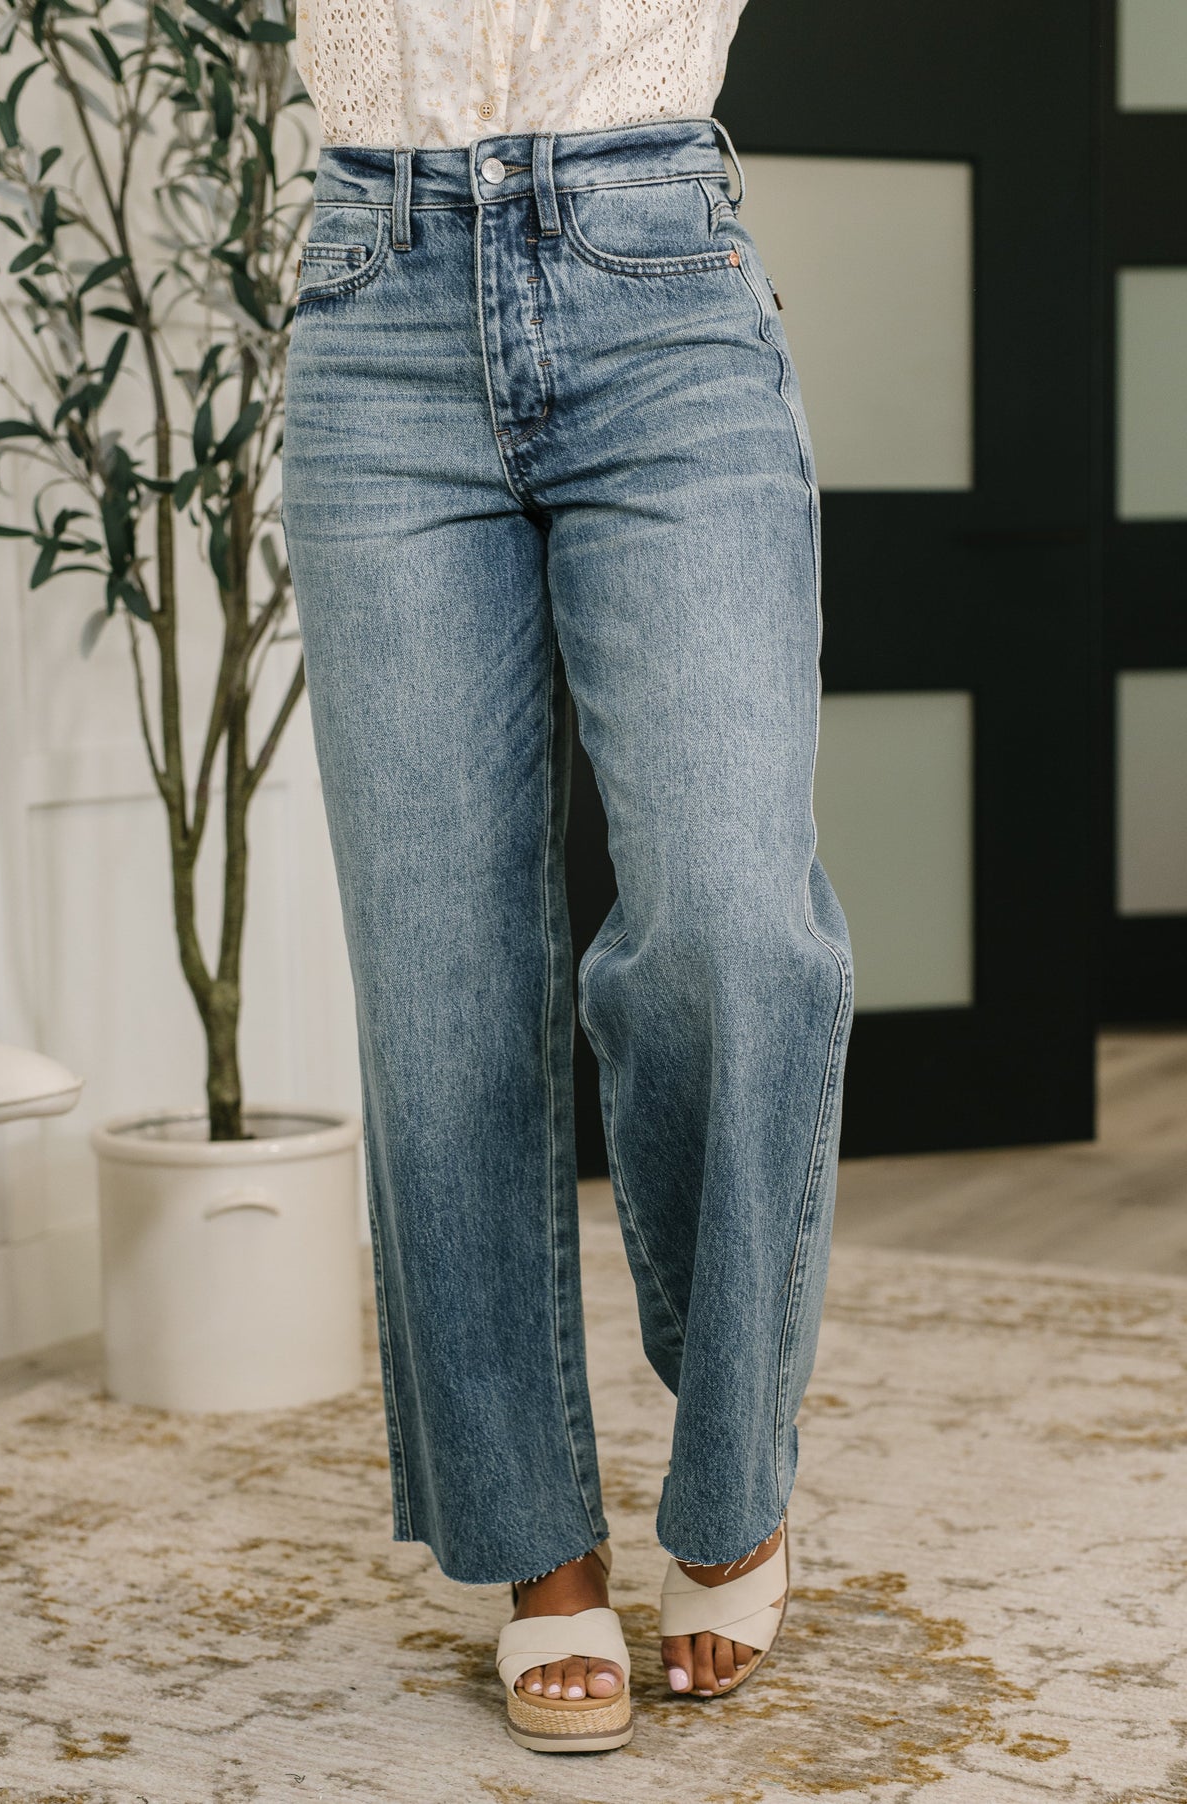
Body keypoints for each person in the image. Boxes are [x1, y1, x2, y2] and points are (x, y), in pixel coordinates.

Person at [281, 0, 855, 1756]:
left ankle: (736, 1468)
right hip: (377, 296)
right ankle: (538, 1556)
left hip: (657, 268)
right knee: (441, 978)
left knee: (735, 929)